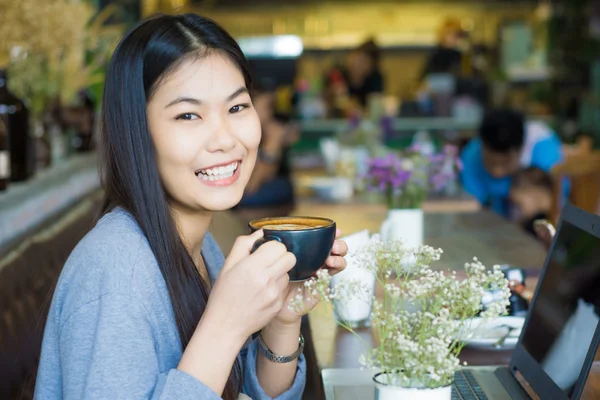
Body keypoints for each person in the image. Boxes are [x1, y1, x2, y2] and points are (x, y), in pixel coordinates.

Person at [34, 14, 348, 400]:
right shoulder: (114, 276)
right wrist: (225, 325)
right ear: (138, 132)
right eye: (188, 115)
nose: (225, 139)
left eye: (236, 108)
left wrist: (283, 319)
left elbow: (235, 390)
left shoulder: (201, 246)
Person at [460, 108, 564, 217]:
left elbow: (552, 206)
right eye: (490, 162)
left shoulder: (545, 154)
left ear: (521, 150)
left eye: (505, 163)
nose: (497, 172)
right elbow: (472, 204)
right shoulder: (472, 153)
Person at [238, 82, 298, 209]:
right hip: (244, 208)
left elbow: (268, 174)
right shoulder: (240, 140)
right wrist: (271, 147)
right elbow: (251, 187)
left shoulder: (261, 136)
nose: (270, 114)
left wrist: (277, 146)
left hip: (259, 203)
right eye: (266, 108)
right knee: (288, 188)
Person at [324, 39, 384, 117]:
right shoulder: (338, 74)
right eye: (356, 58)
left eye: (363, 62)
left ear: (371, 66)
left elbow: (375, 109)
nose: (357, 64)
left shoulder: (375, 79)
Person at [509, 167, 554, 236]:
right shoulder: (537, 219)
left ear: (535, 193)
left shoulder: (556, 223)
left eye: (518, 204)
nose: (518, 211)